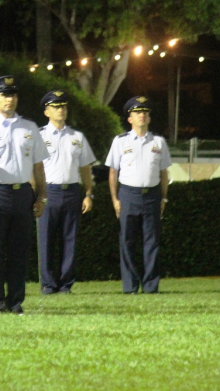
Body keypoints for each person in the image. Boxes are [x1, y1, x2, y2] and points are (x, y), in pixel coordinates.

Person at [0, 75, 49, 315]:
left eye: (13, 94)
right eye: (4, 95)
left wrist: (41, 196)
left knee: (19, 252)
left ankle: (16, 302)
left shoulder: (30, 127)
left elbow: (38, 167)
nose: (9, 99)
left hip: (23, 193)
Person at [105, 96, 171, 294]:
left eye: (145, 112)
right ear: (129, 118)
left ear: (149, 118)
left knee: (152, 242)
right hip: (128, 194)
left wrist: (164, 198)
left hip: (151, 195)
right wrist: (115, 200)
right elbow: (113, 173)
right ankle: (130, 286)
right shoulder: (120, 141)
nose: (141, 115)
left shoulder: (159, 142)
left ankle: (151, 286)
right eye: (137, 112)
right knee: (127, 241)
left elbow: (164, 174)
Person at [37, 90, 96, 295]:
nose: (60, 110)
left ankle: (65, 284)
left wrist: (88, 193)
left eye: (63, 106)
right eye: (55, 106)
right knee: (46, 240)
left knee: (69, 239)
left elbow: (85, 168)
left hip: (71, 191)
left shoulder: (77, 137)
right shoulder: (38, 135)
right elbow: (32, 167)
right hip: (48, 191)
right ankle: (48, 283)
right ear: (47, 111)